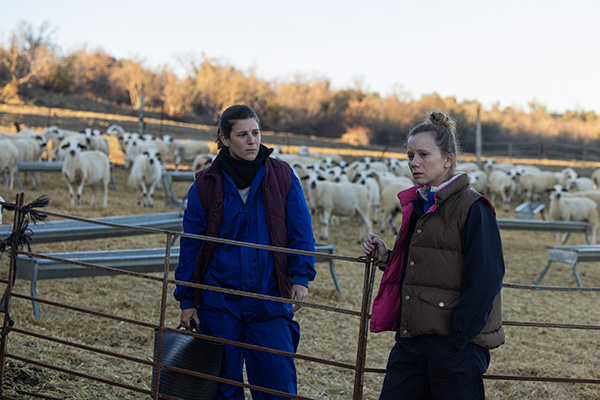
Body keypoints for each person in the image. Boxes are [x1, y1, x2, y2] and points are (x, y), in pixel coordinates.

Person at [174, 104, 316, 400]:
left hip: (269, 296)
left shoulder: (282, 176)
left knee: (276, 385)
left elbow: (301, 231)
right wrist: (187, 298)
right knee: (224, 387)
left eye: (256, 132)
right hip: (220, 300)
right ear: (224, 139)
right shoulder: (206, 184)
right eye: (242, 134)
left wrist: (301, 277)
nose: (253, 141)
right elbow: (191, 245)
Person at [363, 109, 505, 400]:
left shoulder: (473, 208)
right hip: (411, 341)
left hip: (453, 348)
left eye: (423, 155)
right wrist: (387, 257)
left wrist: (457, 341)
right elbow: (429, 263)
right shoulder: (420, 203)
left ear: (448, 160)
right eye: (410, 156)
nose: (414, 163)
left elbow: (486, 278)